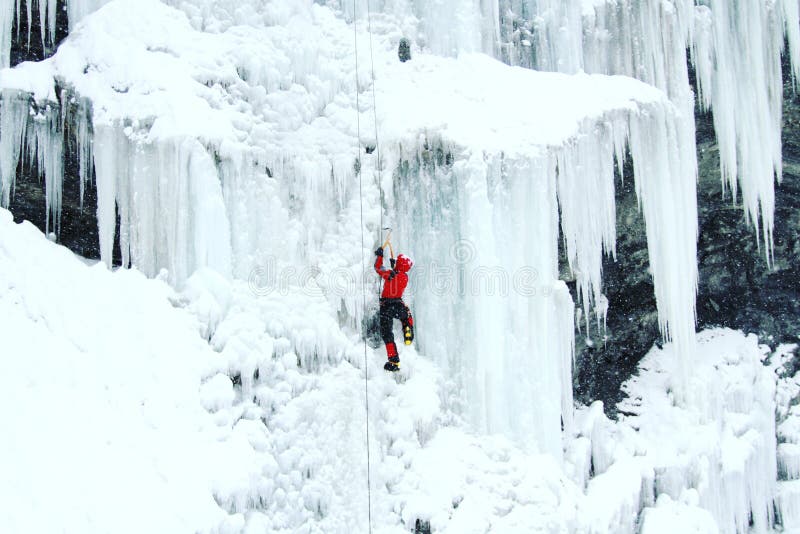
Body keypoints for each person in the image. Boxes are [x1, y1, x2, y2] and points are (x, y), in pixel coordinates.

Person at [374, 246, 414, 371]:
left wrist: (380, 256)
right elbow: (397, 272)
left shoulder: (390, 274)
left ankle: (394, 361)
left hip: (386, 306)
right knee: (406, 315)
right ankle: (408, 330)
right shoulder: (405, 277)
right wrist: (394, 266)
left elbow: (379, 268)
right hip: (398, 304)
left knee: (387, 334)